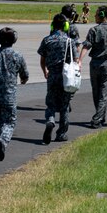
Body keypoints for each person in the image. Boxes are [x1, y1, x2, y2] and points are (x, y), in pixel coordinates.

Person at [0, 27, 29, 160]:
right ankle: (2, 141)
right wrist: (23, 79)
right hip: (9, 94)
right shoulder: (17, 55)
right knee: (10, 121)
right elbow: (24, 74)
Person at [38, 13, 75, 143]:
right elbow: (74, 60)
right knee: (64, 106)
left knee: (51, 103)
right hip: (66, 77)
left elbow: (42, 60)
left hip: (52, 75)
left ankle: (50, 120)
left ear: (52, 25)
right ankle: (61, 134)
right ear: (65, 26)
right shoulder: (70, 41)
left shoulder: (47, 40)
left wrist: (45, 71)